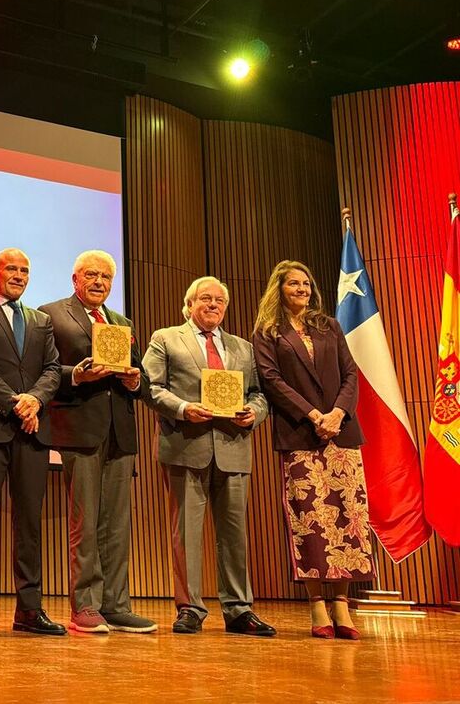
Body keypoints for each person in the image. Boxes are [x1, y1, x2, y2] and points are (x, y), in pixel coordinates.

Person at [142, 276, 275, 636]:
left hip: (233, 449)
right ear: (188, 305)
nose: (213, 305)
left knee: (234, 534)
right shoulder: (166, 338)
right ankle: (190, 608)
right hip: (186, 446)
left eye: (219, 300)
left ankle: (238, 609)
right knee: (186, 533)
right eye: (205, 299)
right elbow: (148, 387)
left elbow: (259, 394)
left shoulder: (243, 347)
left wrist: (253, 412)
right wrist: (183, 408)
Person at [252, 260, 372, 641]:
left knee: (346, 519)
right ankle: (317, 605)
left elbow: (351, 373)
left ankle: (342, 606)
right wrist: (313, 414)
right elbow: (270, 380)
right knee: (312, 521)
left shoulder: (329, 326)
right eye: (293, 284)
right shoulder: (268, 332)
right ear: (279, 288)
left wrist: (338, 412)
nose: (302, 289)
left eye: (306, 283)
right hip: (301, 435)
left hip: (341, 435)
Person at [38, 250, 156, 634]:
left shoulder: (122, 322)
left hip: (120, 431)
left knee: (117, 524)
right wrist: (78, 375)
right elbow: (45, 371)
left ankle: (116, 604)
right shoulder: (51, 314)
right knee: (85, 522)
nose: (99, 282)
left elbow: (143, 379)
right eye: (91, 275)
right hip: (78, 428)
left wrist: (136, 380)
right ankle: (84, 606)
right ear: (75, 279)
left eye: (105, 277)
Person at [0, 248, 65, 636]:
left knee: (30, 525)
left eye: (25, 270)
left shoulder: (41, 320)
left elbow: (53, 368)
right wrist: (16, 403)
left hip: (33, 432)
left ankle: (29, 610)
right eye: (12, 269)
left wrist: (35, 399)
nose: (19, 275)